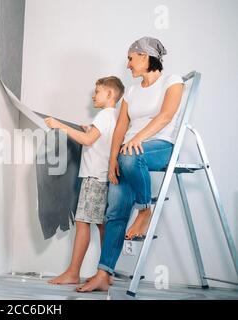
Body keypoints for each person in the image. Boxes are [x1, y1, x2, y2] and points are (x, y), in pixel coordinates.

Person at [79, 36, 185, 292]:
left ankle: (144, 210)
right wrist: (114, 157)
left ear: (145, 56)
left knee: (129, 155)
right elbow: (119, 131)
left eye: (130, 58)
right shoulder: (132, 92)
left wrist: (136, 140)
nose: (127, 64)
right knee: (114, 211)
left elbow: (166, 116)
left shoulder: (172, 81)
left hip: (160, 146)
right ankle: (103, 275)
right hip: (129, 152)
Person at [44, 76, 125, 289]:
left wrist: (59, 125)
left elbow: (88, 142)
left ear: (110, 94)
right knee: (102, 225)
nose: (93, 95)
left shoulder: (104, 115)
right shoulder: (116, 116)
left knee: (82, 224)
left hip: (94, 177)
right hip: (103, 177)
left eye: (97, 91)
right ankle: (106, 274)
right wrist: (89, 130)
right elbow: (101, 140)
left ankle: (73, 273)